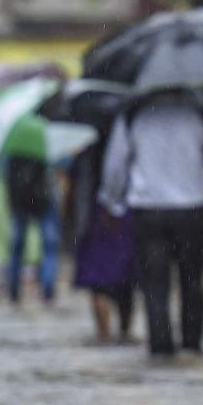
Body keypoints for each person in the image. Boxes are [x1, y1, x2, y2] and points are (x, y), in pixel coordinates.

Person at [98, 90, 203, 356]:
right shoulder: (202, 114)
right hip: (192, 209)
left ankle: (161, 350)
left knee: (154, 284)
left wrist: (111, 203)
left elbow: (115, 167)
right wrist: (202, 164)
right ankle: (192, 346)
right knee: (193, 281)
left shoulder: (133, 117)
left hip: (148, 211)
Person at [70, 140, 137, 344]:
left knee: (99, 282)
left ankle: (104, 337)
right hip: (126, 212)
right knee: (125, 280)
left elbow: (75, 184)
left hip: (96, 215)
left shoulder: (86, 143)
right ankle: (123, 334)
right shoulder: (129, 133)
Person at [5, 151, 60, 305]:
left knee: (17, 244)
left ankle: (14, 288)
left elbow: (6, 174)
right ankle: (47, 288)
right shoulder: (47, 143)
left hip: (20, 198)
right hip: (44, 197)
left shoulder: (14, 147)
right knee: (49, 244)